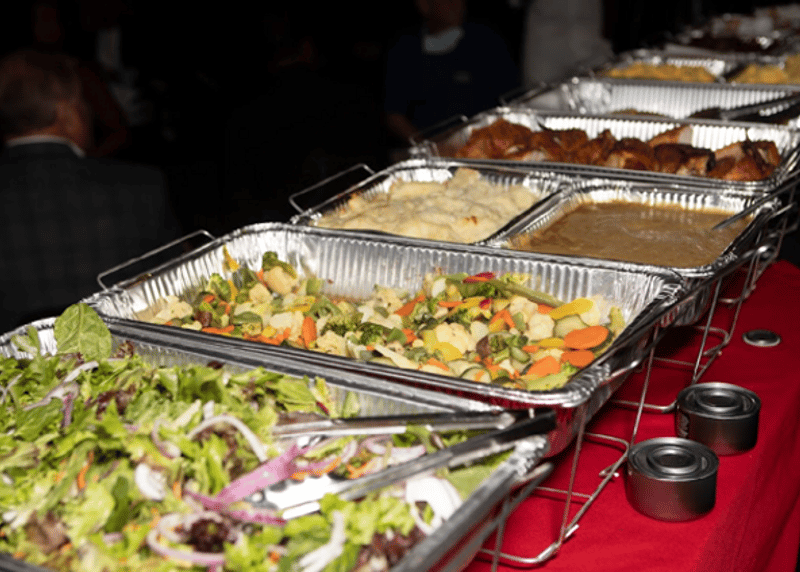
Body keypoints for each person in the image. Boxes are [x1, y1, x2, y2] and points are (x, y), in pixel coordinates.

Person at [0, 49, 181, 333]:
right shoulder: (140, 186)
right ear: (68, 112)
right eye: (83, 102)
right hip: (128, 356)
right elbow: (176, 286)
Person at [383, 0, 518, 150]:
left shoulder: (486, 40)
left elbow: (511, 100)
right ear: (424, 5)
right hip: (432, 147)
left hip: (488, 142)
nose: (456, 4)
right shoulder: (405, 50)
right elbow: (394, 114)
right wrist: (429, 148)